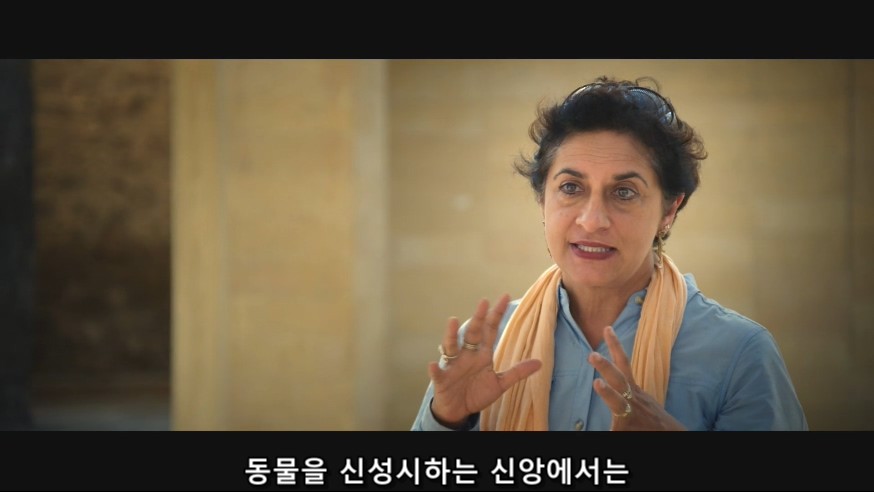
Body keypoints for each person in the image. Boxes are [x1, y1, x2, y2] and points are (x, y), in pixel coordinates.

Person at [411, 75, 808, 431]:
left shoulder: (739, 353)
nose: (592, 221)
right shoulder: (482, 348)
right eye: (571, 188)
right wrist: (445, 420)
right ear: (542, 201)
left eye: (624, 192)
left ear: (668, 211)